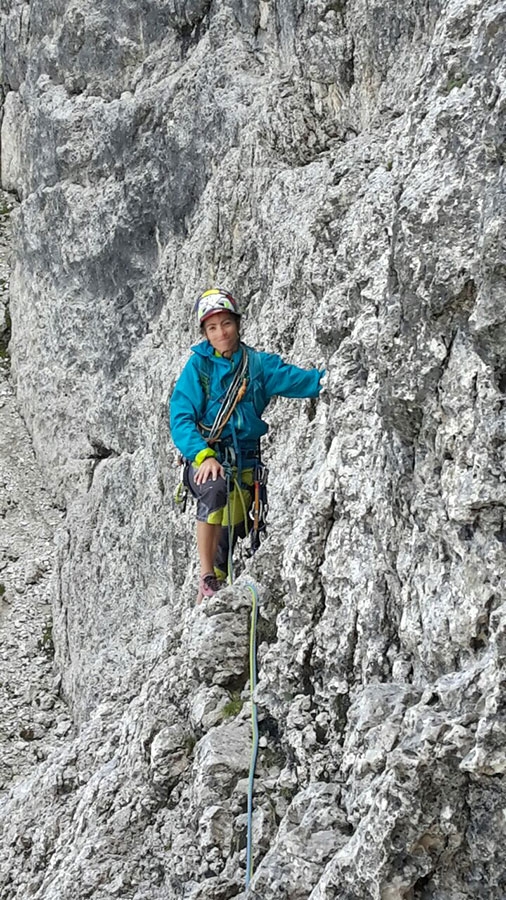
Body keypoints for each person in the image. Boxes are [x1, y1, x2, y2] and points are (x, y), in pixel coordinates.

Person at [169, 288, 325, 602]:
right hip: (208, 457)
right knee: (214, 490)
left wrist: (334, 378)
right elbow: (181, 418)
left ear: (237, 324)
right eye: (212, 327)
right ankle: (205, 579)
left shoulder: (258, 366)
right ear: (205, 334)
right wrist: (203, 454)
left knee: (236, 531)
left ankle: (218, 587)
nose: (221, 332)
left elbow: (301, 381)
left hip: (245, 464)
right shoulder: (199, 369)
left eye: (226, 323)